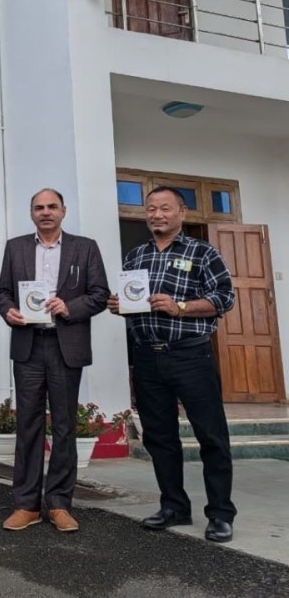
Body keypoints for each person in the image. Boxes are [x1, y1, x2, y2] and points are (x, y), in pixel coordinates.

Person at [108, 186, 236, 543]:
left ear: (182, 212)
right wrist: (120, 305)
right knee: (160, 438)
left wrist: (179, 306)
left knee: (211, 436)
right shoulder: (136, 256)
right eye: (151, 209)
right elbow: (134, 302)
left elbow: (224, 298)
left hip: (191, 355)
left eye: (165, 208)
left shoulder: (202, 252)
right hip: (149, 357)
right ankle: (174, 507)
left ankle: (221, 514)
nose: (157, 215)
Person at [0, 188, 109, 533]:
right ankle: (26, 504)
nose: (46, 212)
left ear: (63, 211)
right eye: (39, 207)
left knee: (63, 427)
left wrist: (69, 308)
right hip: (29, 346)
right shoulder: (15, 247)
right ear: (31, 213)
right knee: (27, 425)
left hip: (65, 346)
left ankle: (59, 504)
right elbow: (2, 292)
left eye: (52, 207)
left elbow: (100, 294)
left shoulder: (84, 247)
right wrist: (8, 311)